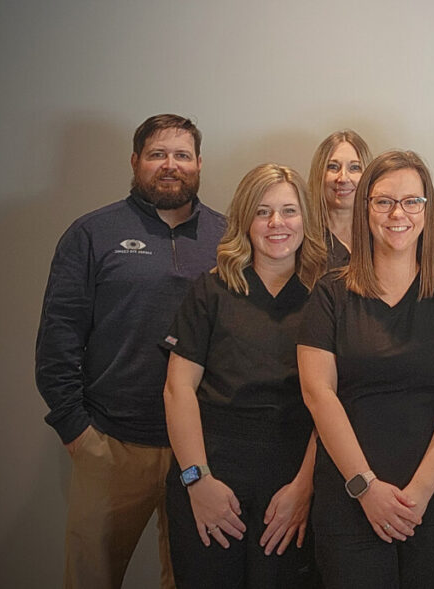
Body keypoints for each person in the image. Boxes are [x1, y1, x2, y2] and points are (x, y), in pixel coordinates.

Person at [35, 114, 226, 589]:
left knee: (191, 579)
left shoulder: (228, 237)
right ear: (136, 161)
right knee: (91, 578)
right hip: (112, 443)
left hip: (203, 449)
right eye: (158, 154)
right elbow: (58, 339)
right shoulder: (92, 233)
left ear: (199, 163)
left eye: (182, 155)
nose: (170, 165)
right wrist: (76, 430)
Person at [297, 150, 434, 588]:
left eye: (412, 201)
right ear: (365, 208)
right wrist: (365, 487)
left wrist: (418, 493)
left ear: (427, 211)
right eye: (383, 201)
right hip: (351, 501)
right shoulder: (330, 296)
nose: (397, 213)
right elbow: (318, 394)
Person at [161, 164, 328, 587]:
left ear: (306, 220)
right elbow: (178, 389)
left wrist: (303, 489)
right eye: (263, 212)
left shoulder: (326, 299)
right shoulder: (211, 291)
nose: (277, 224)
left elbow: (331, 404)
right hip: (212, 472)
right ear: (243, 221)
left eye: (289, 211)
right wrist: (197, 481)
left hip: (290, 481)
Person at [307, 129, 372, 267]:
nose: (343, 178)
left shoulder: (379, 233)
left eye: (355, 168)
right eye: (333, 167)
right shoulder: (303, 236)